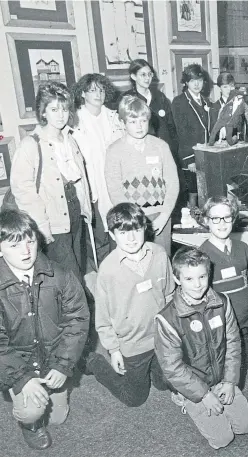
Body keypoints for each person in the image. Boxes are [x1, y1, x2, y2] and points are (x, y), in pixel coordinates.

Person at [0, 209, 89, 450]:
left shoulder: (59, 275)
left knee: (58, 417)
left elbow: (77, 320)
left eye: (30, 241)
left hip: (53, 359)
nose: (26, 251)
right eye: (15, 245)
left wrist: (63, 365)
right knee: (32, 411)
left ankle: (38, 389)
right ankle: (28, 422)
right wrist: (21, 380)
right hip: (19, 363)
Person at [154, 247, 248, 449]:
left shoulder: (222, 302)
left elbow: (233, 343)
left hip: (221, 379)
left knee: (246, 426)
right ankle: (185, 400)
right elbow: (172, 367)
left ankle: (218, 394)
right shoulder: (166, 320)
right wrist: (203, 395)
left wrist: (229, 381)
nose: (198, 285)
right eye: (189, 279)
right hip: (195, 386)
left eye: (202, 276)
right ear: (177, 279)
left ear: (209, 274)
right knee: (222, 439)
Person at [86, 203, 174, 406]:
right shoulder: (108, 271)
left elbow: (170, 294)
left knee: (165, 383)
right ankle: (94, 362)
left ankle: (155, 367)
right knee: (135, 399)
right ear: (112, 234)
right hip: (132, 345)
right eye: (123, 232)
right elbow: (103, 319)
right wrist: (114, 349)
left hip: (161, 337)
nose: (132, 238)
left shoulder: (159, 254)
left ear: (145, 228)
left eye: (136, 230)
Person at [10, 81, 92, 281]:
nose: (61, 114)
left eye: (64, 109)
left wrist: (86, 210)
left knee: (78, 270)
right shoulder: (31, 144)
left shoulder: (69, 140)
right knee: (69, 277)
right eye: (54, 109)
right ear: (43, 112)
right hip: (52, 218)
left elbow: (81, 181)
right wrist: (41, 225)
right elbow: (23, 190)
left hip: (74, 212)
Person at [105, 96, 180, 255]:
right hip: (132, 219)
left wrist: (165, 214)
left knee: (161, 258)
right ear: (122, 122)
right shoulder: (114, 150)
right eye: (132, 121)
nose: (139, 126)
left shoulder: (160, 146)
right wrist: (132, 220)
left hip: (160, 217)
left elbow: (173, 182)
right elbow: (114, 190)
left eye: (143, 121)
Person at [198, 197, 248, 389]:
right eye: (215, 218)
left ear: (233, 219)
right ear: (206, 220)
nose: (222, 223)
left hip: (244, 319)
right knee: (224, 365)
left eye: (226, 218)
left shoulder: (243, 248)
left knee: (244, 361)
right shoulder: (202, 255)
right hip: (221, 324)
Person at [71, 73, 124, 267]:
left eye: (101, 89)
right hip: (91, 184)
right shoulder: (75, 121)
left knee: (118, 227)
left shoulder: (114, 117)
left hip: (114, 180)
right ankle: (102, 270)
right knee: (97, 234)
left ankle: (119, 267)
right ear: (83, 93)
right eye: (93, 89)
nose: (98, 94)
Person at [171, 64, 216, 208]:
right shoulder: (179, 102)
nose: (196, 84)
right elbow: (180, 132)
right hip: (191, 157)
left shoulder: (207, 101)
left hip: (207, 155)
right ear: (185, 82)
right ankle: (192, 222)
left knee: (207, 191)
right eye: (192, 80)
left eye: (199, 80)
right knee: (193, 193)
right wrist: (190, 159)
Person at [121, 59, 178, 157]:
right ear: (133, 76)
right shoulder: (127, 99)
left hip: (164, 150)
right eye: (143, 75)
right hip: (141, 152)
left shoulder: (160, 96)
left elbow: (171, 125)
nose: (147, 78)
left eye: (149, 74)